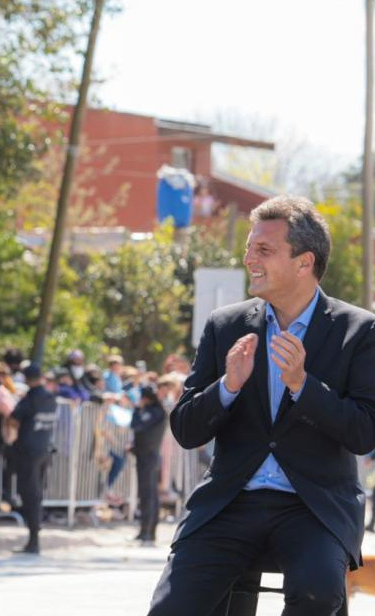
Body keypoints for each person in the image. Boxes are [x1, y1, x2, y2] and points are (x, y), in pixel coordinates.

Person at [148, 195, 375, 615]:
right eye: (250, 247)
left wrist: (302, 386)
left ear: (304, 262)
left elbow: (364, 432)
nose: (249, 257)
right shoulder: (225, 325)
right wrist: (228, 386)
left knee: (318, 595)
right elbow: (185, 429)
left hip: (314, 507)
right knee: (170, 607)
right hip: (231, 501)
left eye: (263, 250)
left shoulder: (359, 331)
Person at [10, 363, 57, 555]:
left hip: (29, 452)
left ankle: (33, 541)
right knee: (36, 495)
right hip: (45, 451)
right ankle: (34, 539)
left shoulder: (30, 398)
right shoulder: (50, 398)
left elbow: (14, 418)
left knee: (29, 495)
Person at [130, 386, 167, 546]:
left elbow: (137, 426)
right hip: (146, 456)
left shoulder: (154, 412)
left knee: (148, 494)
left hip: (148, 456)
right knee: (149, 493)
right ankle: (146, 531)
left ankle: (147, 531)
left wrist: (137, 410)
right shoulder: (156, 412)